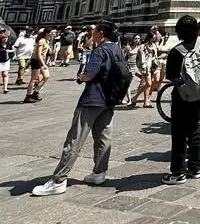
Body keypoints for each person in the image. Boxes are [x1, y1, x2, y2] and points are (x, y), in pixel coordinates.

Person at [31, 22, 123, 196]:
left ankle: (58, 180)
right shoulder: (117, 49)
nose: (92, 34)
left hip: (93, 99)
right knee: (103, 138)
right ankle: (99, 173)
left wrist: (82, 76)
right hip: (109, 100)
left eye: (94, 31)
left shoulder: (100, 50)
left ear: (101, 33)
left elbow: (90, 73)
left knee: (75, 140)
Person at [162, 15, 200, 184]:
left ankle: (178, 172)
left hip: (182, 97)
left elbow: (171, 77)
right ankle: (196, 168)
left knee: (179, 133)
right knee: (195, 129)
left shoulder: (176, 51)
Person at [25, 28, 50, 103]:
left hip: (40, 61)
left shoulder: (46, 41)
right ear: (47, 33)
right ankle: (28, 96)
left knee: (46, 76)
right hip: (36, 61)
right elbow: (38, 54)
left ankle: (35, 92)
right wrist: (43, 63)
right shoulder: (41, 41)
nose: (54, 34)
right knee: (33, 79)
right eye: (52, 33)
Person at [0, 28, 10, 93]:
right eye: (4, 38)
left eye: (6, 38)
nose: (6, 39)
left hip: (6, 61)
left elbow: (12, 50)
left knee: (5, 74)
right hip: (0, 61)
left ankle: (5, 88)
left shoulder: (9, 44)